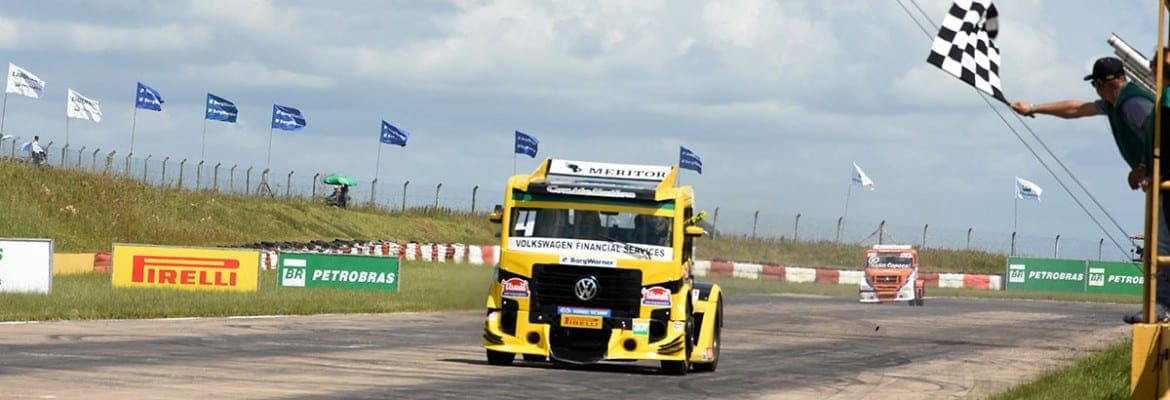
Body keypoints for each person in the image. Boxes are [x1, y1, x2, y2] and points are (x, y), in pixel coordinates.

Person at [1011, 56, 1169, 323]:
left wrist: (1143, 166)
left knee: (1163, 247)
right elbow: (1076, 109)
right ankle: (1161, 304)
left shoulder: (1131, 104)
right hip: (1158, 179)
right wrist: (1033, 108)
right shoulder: (1116, 104)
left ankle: (1162, 305)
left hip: (1162, 177)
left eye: (1095, 85)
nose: (1095, 91)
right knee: (1161, 246)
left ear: (1102, 84)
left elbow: (1158, 131)